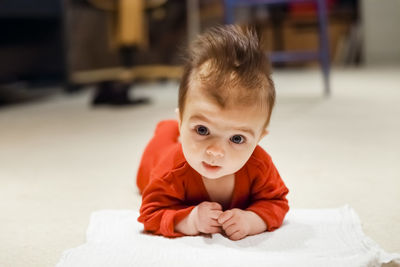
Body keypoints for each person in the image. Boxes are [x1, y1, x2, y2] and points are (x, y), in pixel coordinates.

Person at [136, 25, 289, 241]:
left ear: (258, 139)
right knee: (157, 150)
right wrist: (190, 220)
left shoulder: (259, 166)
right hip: (159, 158)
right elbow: (149, 214)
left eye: (237, 138)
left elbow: (277, 202)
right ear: (183, 122)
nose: (216, 152)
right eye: (202, 129)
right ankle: (167, 129)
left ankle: (180, 129)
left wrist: (252, 220)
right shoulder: (169, 170)